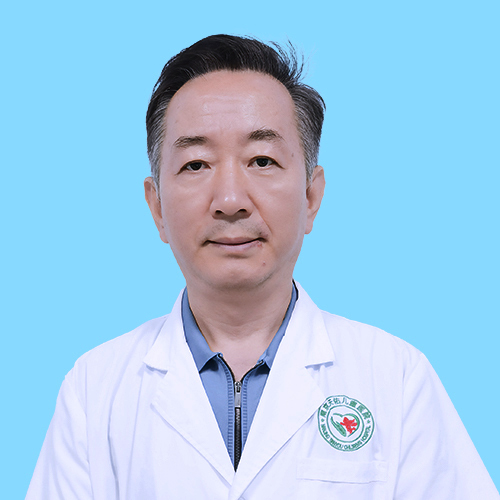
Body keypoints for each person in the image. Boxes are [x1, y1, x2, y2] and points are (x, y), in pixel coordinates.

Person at [26, 34, 499, 500]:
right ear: (157, 208)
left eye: (262, 160)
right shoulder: (95, 389)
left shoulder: (396, 378)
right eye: (196, 164)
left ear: (311, 196)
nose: (230, 199)